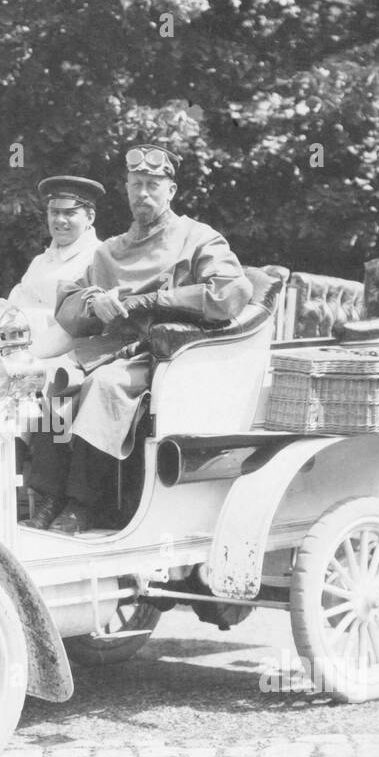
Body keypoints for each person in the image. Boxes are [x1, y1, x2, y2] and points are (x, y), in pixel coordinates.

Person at [24, 144, 252, 533]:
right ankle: (48, 497)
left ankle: (84, 504)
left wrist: (156, 300)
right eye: (135, 185)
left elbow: (232, 293)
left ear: (171, 191)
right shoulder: (111, 251)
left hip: (165, 356)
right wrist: (95, 304)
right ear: (126, 189)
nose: (143, 194)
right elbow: (68, 303)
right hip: (109, 351)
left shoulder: (197, 239)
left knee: (104, 387)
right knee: (56, 383)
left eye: (152, 185)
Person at [0, 175, 104, 361]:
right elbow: (12, 305)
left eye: (69, 213)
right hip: (14, 348)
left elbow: (80, 322)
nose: (60, 220)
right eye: (54, 213)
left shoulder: (99, 257)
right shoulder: (40, 261)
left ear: (90, 217)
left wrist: (18, 322)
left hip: (62, 358)